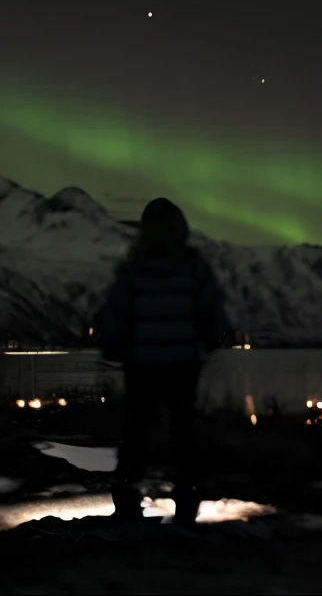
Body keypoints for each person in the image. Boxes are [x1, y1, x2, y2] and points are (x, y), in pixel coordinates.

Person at [93, 197, 231, 523]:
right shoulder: (194, 266)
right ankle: (186, 494)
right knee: (183, 429)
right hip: (183, 362)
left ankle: (127, 493)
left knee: (137, 428)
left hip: (141, 362)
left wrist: (113, 347)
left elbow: (116, 315)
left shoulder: (133, 269)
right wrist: (213, 341)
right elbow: (211, 311)